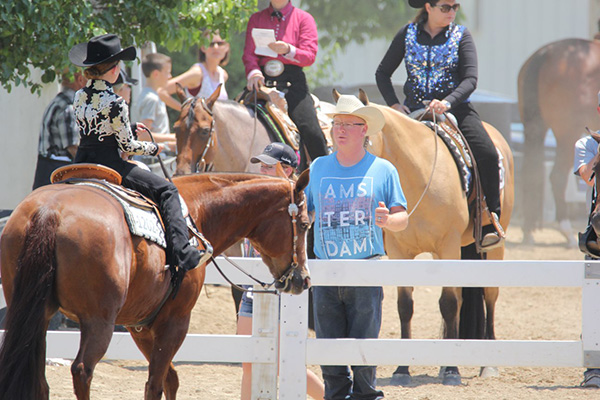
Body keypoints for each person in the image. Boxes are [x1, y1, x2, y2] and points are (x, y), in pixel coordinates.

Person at [375, 0, 502, 251]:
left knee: (487, 153)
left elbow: (470, 79)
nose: (452, 13)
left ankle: (490, 218)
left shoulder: (461, 35)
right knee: (382, 153)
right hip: (414, 111)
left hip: (456, 109)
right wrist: (394, 105)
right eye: (445, 7)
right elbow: (382, 73)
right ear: (428, 7)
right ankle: (377, 219)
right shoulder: (407, 33)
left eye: (455, 7)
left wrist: (447, 102)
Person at [69, 33, 201, 273]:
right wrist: (153, 147)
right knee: (168, 190)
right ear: (113, 70)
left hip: (80, 162)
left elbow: (95, 130)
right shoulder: (116, 101)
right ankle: (182, 253)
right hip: (110, 165)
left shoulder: (78, 96)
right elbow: (127, 147)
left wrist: (128, 128)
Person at [305, 94, 409, 400]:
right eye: (337, 123)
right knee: (330, 355)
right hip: (326, 272)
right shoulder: (318, 167)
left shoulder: (383, 169)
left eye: (349, 124)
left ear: (365, 130)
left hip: (366, 271)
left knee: (365, 356)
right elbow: (307, 212)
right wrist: (303, 214)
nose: (341, 129)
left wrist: (388, 220)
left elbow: (403, 217)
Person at [237, 142, 325, 400]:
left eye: (268, 166)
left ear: (286, 170)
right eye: (261, 165)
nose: (261, 170)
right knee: (248, 361)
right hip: (254, 289)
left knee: (282, 361)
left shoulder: (295, 200)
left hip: (282, 287)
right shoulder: (254, 196)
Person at [243, 0, 328, 171]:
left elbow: (310, 55)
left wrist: (288, 49)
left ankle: (325, 174)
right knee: (235, 118)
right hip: (262, 82)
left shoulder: (304, 18)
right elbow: (248, 54)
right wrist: (254, 72)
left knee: (311, 130)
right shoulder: (256, 19)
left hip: (293, 83)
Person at [573, 91, 600, 389]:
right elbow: (588, 177)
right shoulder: (586, 143)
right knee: (596, 299)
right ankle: (594, 369)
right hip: (598, 228)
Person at [32, 71, 87, 190]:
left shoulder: (59, 101)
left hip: (47, 170)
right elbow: (73, 148)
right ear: (80, 79)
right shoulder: (68, 106)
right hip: (57, 174)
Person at [159, 32, 230, 112]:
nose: (216, 47)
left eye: (220, 43)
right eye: (210, 44)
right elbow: (162, 91)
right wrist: (186, 111)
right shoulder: (197, 73)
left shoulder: (223, 74)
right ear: (203, 48)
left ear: (227, 47)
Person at [131, 52, 172, 134]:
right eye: (167, 72)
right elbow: (143, 135)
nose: (170, 76)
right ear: (156, 74)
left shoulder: (149, 95)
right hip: (157, 147)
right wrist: (174, 138)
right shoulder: (151, 99)